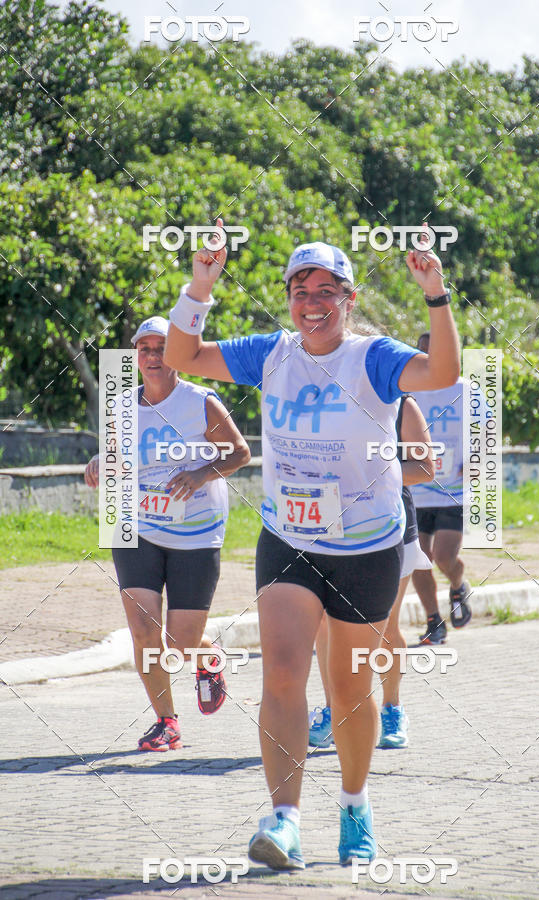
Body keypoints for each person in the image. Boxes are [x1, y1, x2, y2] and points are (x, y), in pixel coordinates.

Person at [164, 222, 460, 868]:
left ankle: (355, 804)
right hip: (289, 541)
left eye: (327, 289)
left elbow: (441, 371)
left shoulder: (373, 357)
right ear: (290, 301)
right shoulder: (271, 353)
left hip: (365, 551)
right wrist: (201, 284)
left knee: (350, 692)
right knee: (281, 673)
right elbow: (184, 356)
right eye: (301, 289)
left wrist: (435, 295)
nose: (313, 301)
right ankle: (285, 820)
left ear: (349, 299)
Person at [85, 316, 250, 750]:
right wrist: (99, 464)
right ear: (135, 355)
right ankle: (166, 722)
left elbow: (240, 453)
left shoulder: (200, 402)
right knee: (143, 630)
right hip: (138, 525)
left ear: (176, 354)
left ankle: (206, 653)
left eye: (163, 349)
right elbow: (115, 456)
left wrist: (199, 475)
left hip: (196, 532)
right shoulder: (120, 404)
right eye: (145, 349)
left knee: (179, 644)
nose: (153, 357)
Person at [308, 393, 435, 751]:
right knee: (323, 623)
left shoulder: (401, 405)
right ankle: (334, 713)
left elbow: (425, 467)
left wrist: (371, 473)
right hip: (328, 524)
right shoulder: (323, 399)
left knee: (385, 626)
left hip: (387, 528)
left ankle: (392, 708)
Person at [410, 332, 471, 645]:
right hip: (418, 490)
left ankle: (458, 585)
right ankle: (434, 620)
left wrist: (475, 463)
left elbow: (488, 433)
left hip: (454, 491)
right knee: (419, 558)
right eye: (423, 354)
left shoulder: (466, 390)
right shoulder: (409, 392)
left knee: (445, 558)